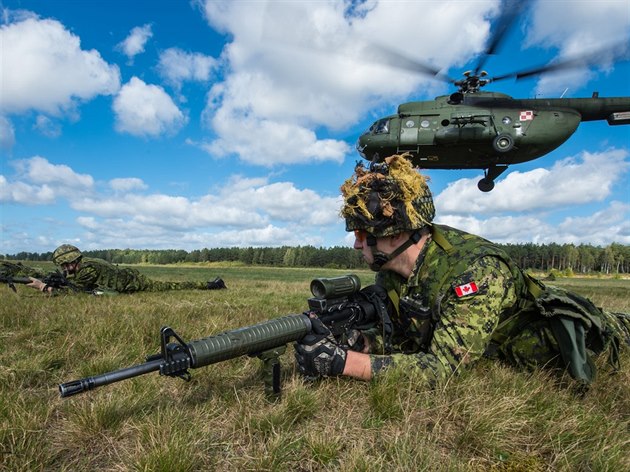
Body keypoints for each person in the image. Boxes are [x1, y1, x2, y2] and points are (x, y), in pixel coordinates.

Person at [294, 154, 629, 388]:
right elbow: (410, 338)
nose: (356, 245)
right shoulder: (394, 273)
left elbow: (443, 370)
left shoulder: (476, 272)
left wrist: (343, 363)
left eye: (363, 235)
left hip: (573, 341)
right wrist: (365, 342)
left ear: (395, 234)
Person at [25, 244, 227, 294]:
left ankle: (211, 285)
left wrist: (43, 287)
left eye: (64, 265)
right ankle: (210, 284)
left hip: (135, 284)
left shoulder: (87, 269)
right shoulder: (85, 264)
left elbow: (74, 291)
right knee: (172, 286)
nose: (64, 269)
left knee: (173, 287)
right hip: (130, 277)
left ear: (70, 262)